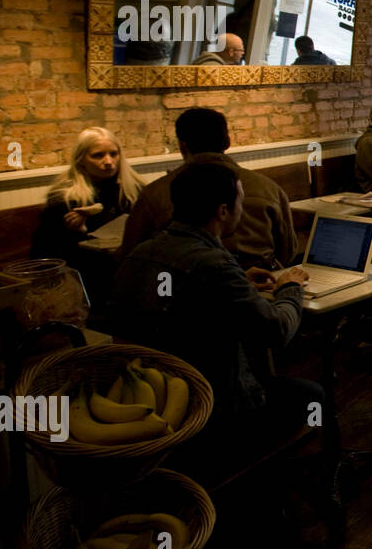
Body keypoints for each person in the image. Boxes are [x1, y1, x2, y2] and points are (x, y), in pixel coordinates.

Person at [111, 162, 319, 477]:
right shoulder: (215, 264)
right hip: (218, 411)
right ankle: (287, 477)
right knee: (313, 394)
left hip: (155, 402)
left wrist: (242, 281)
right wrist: (289, 288)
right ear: (223, 211)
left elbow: (183, 300)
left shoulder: (140, 253)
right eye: (240, 202)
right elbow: (276, 331)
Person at [119, 108, 297, 276]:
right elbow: (287, 251)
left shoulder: (155, 194)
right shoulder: (268, 188)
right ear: (227, 141)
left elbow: (130, 256)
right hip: (264, 282)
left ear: (182, 146)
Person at [32, 126, 145, 304]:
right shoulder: (65, 197)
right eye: (98, 155)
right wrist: (78, 232)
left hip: (129, 265)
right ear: (81, 160)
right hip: (87, 273)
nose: (108, 161)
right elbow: (47, 251)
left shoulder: (134, 189)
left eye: (113, 154)